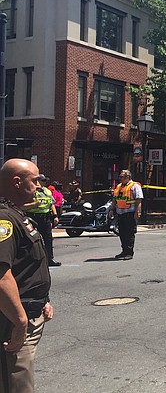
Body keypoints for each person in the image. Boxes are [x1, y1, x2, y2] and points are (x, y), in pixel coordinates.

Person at [0, 158, 54, 392]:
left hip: (31, 311)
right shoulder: (5, 218)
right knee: (17, 385)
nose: (39, 187)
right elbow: (2, 275)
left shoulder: (16, 213)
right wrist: (20, 322)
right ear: (17, 183)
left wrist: (44, 300)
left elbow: (27, 267)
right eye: (34, 181)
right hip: (14, 320)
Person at [23, 175, 60, 267]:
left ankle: (50, 259)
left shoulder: (47, 191)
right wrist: (35, 204)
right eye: (42, 180)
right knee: (32, 239)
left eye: (44, 180)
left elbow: (52, 204)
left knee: (48, 238)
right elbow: (22, 205)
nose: (43, 182)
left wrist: (55, 216)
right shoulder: (30, 191)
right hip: (33, 217)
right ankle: (31, 260)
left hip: (46, 217)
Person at [112, 169, 143, 261]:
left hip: (130, 213)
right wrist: (111, 209)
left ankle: (129, 253)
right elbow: (114, 199)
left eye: (122, 177)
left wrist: (138, 212)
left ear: (128, 177)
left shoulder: (135, 186)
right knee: (122, 233)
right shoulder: (119, 186)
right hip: (120, 213)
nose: (120, 178)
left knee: (129, 233)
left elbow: (139, 200)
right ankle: (124, 251)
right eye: (120, 176)